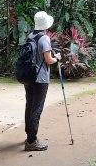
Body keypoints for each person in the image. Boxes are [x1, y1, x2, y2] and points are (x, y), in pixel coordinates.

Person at [24, 11, 61, 152]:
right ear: (46, 25)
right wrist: (57, 57)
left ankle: (29, 135)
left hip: (29, 77)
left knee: (29, 106)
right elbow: (49, 60)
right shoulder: (44, 38)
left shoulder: (30, 36)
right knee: (37, 109)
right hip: (40, 79)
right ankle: (32, 141)